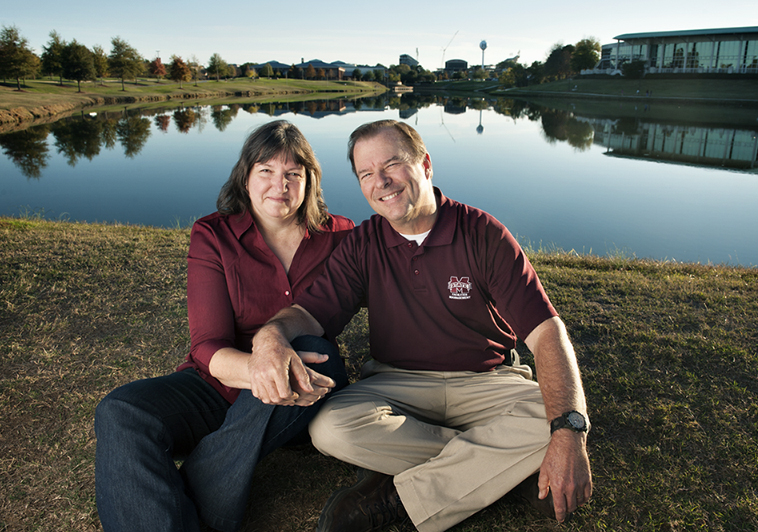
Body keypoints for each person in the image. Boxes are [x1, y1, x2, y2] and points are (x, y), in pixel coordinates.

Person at [251, 119, 593, 532]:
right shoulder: (363, 243)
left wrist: (570, 433)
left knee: (556, 416)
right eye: (366, 174)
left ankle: (397, 496)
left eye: (392, 165)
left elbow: (548, 335)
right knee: (329, 427)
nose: (381, 182)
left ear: (425, 164)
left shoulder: (484, 234)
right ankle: (497, 473)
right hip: (399, 384)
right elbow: (310, 314)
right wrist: (270, 336)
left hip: (485, 380)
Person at [93, 120, 354, 532]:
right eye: (265, 170)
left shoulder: (339, 235)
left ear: (310, 180)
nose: (278, 185)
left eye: (293, 174)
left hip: (305, 373)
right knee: (121, 410)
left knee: (307, 347)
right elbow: (207, 345)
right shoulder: (213, 234)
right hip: (221, 380)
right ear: (245, 176)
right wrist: (261, 368)